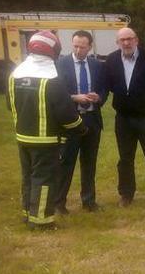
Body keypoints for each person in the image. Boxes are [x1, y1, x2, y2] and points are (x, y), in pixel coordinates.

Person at [9, 31, 87, 230]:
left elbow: (11, 106)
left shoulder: (15, 75)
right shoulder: (51, 79)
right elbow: (66, 114)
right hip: (45, 141)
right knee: (44, 179)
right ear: (53, 51)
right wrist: (81, 128)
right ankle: (42, 222)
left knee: (28, 177)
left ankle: (28, 214)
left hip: (22, 138)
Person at [104, 27, 145, 208]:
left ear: (136, 40)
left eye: (129, 39)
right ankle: (126, 194)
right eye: (122, 40)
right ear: (117, 43)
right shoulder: (111, 60)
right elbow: (108, 84)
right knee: (125, 158)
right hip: (123, 119)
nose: (126, 43)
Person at [54, 31, 106, 214]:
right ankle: (59, 203)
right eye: (75, 45)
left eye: (82, 47)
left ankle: (89, 201)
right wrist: (74, 98)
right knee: (66, 162)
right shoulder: (61, 64)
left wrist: (99, 97)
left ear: (89, 47)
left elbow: (103, 88)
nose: (77, 50)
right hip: (70, 121)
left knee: (89, 162)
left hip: (92, 120)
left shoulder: (97, 65)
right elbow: (56, 93)